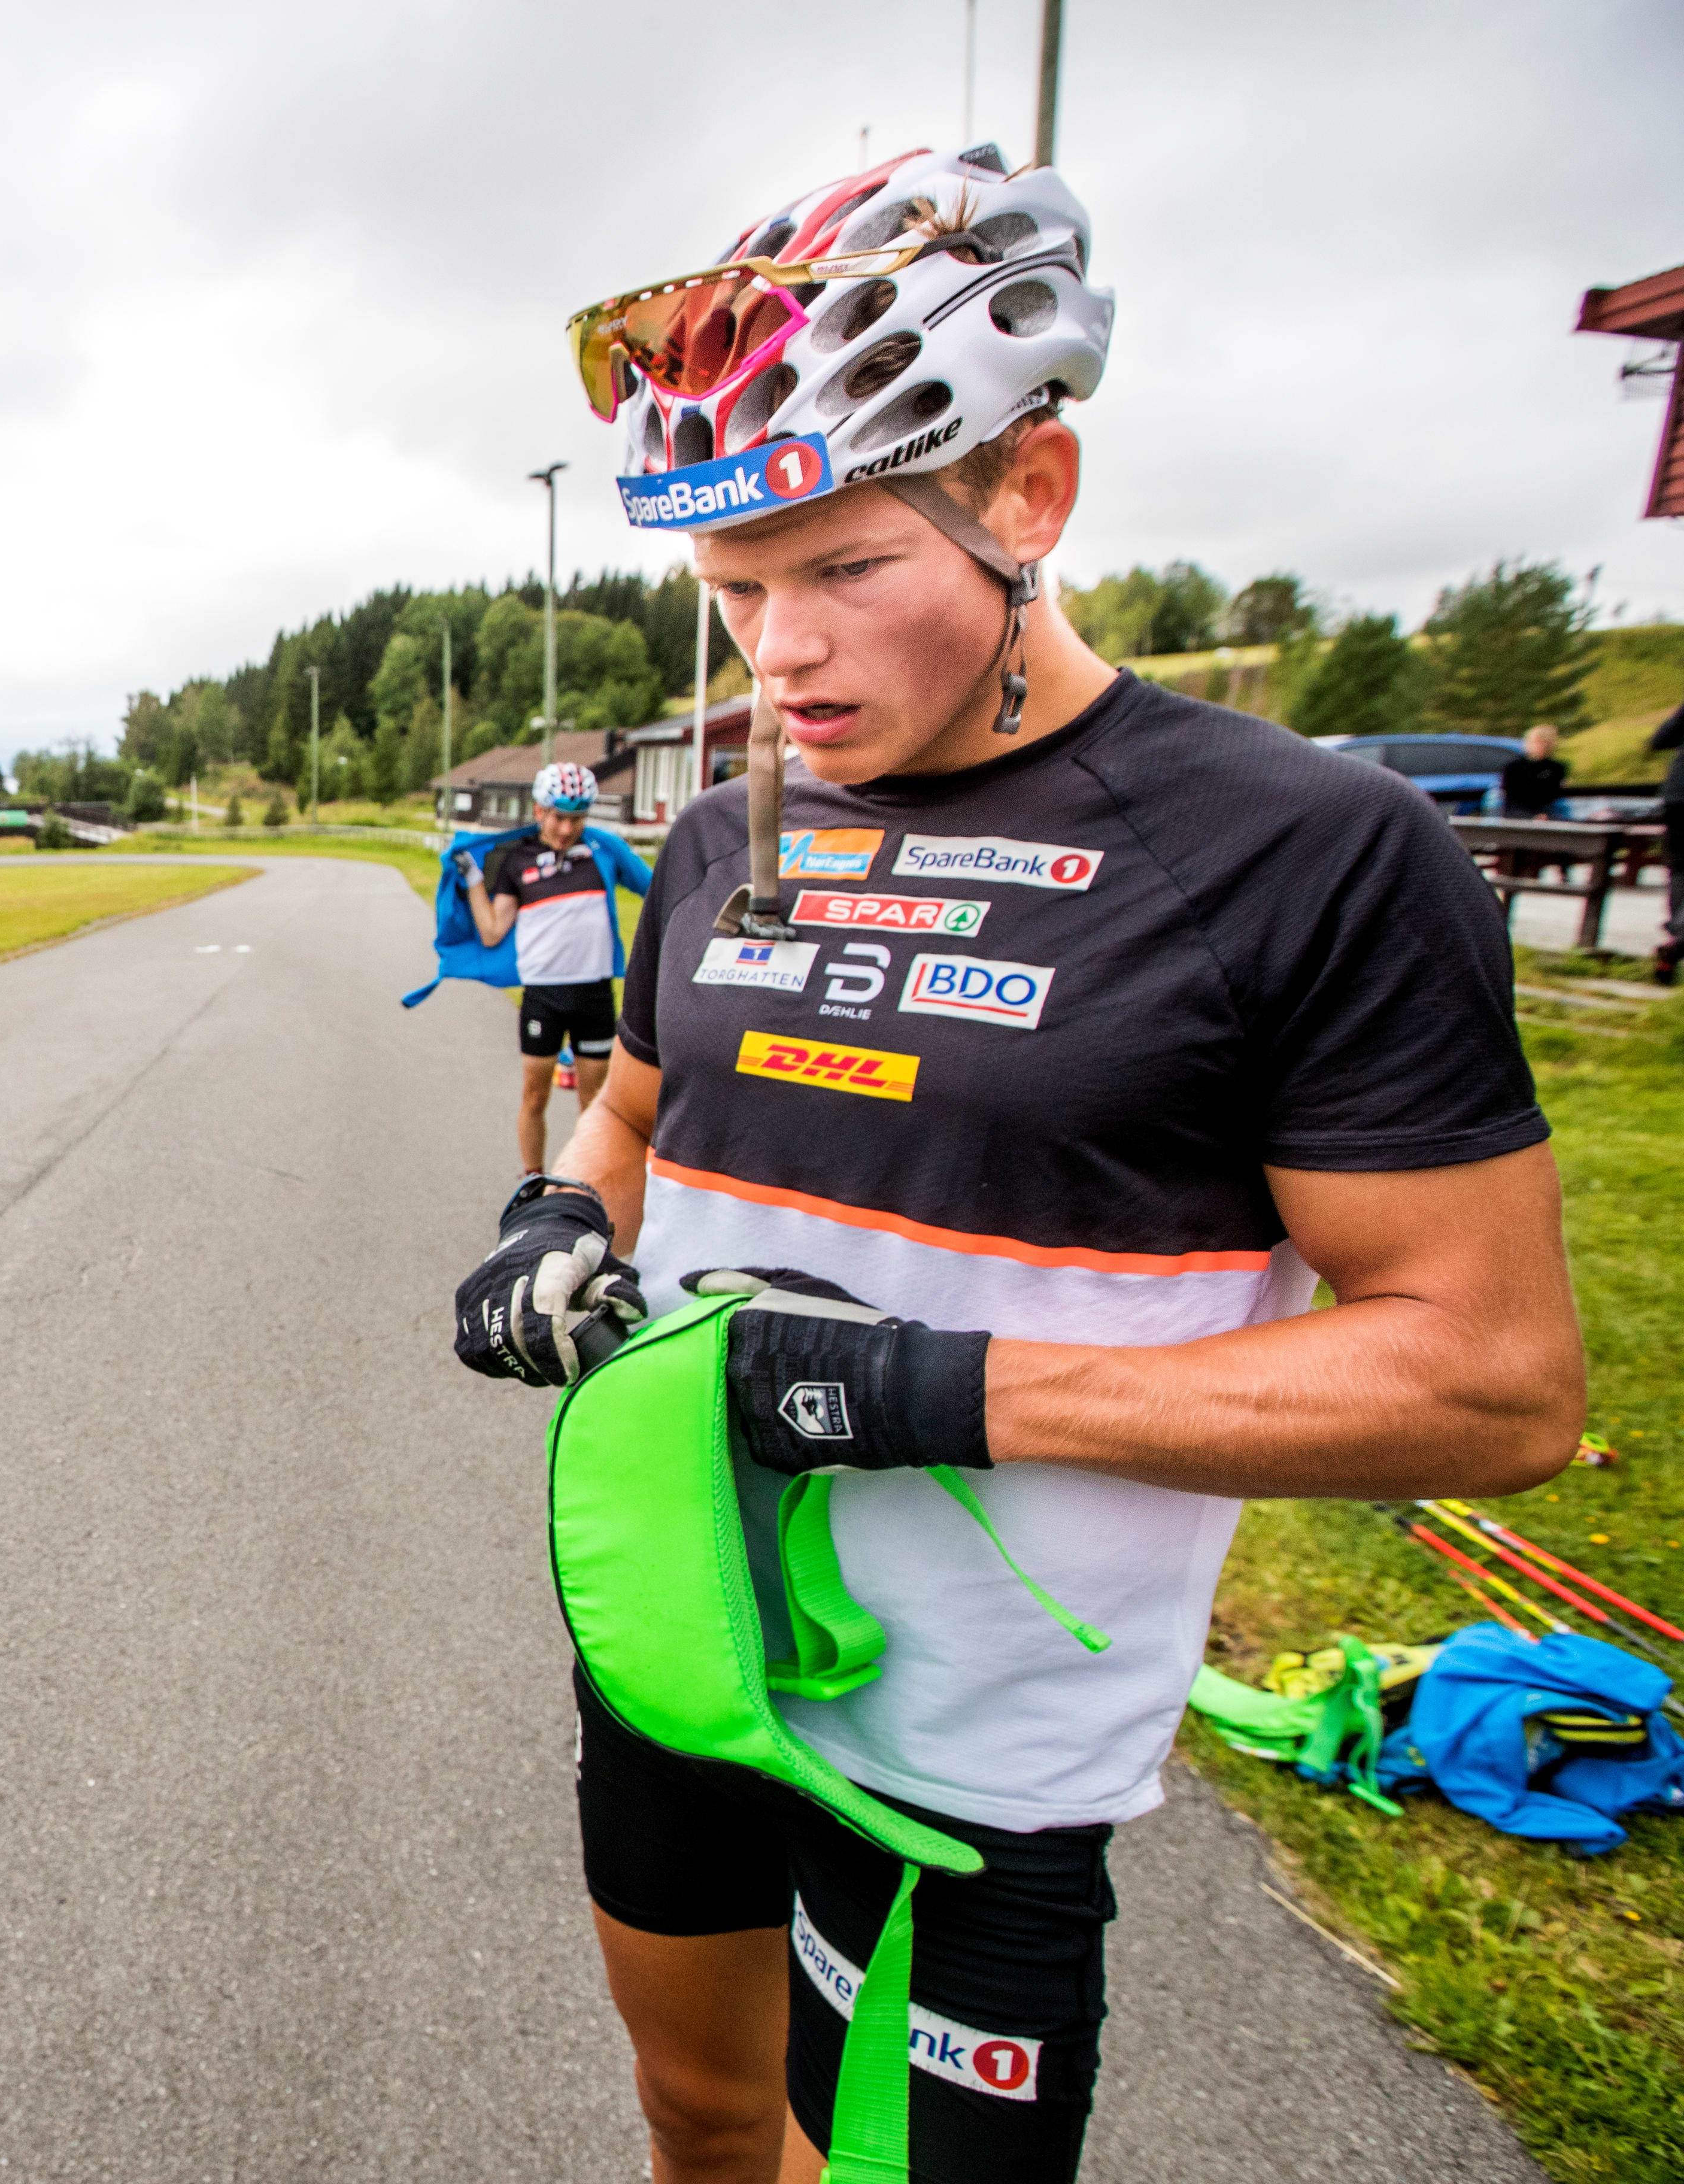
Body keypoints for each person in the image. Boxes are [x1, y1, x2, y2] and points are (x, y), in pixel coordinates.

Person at [456, 145, 1582, 2183]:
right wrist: (557, 1212)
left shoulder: (1308, 852)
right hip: (683, 1631)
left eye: (841, 569)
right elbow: (637, 1110)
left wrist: (917, 1390)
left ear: (1030, 497)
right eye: (733, 591)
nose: (776, 657)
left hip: (974, 1748)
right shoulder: (727, 827)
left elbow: (1493, 1381)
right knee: (699, 2115)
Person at [459, 759, 654, 1173]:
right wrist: (474, 880)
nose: (567, 829)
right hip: (543, 997)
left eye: (577, 819)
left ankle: (589, 1182)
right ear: (539, 811)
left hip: (595, 995)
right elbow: (492, 932)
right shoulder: (518, 861)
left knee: (597, 1104)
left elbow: (656, 890)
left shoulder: (604, 850)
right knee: (535, 1096)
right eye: (558, 818)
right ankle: (532, 1179)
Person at [1649, 700, 1684, 982]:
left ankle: (1676, 942)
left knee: (1680, 870)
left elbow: (1660, 741)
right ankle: (1678, 943)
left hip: (1677, 799)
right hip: (1678, 800)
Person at [1497, 724, 1568, 818]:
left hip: (1549, 815)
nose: (1540, 746)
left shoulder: (1556, 768)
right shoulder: (1513, 767)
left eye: (1543, 742)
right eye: (1536, 742)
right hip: (1518, 816)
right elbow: (1511, 797)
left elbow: (1553, 796)